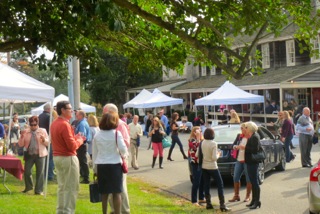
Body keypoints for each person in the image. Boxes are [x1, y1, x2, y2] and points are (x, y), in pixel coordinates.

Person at [50, 101, 85, 214]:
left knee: (62, 187)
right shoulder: (65, 124)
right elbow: (72, 146)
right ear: (63, 110)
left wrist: (74, 137)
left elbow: (63, 141)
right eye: (69, 109)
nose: (72, 111)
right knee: (71, 187)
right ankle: (68, 211)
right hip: (67, 157)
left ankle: (60, 211)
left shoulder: (55, 123)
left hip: (58, 157)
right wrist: (80, 139)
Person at [92, 112, 128, 214]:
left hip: (102, 165)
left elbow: (95, 153)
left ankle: (104, 212)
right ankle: (118, 212)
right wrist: (124, 156)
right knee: (117, 193)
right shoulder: (116, 134)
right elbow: (123, 149)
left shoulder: (97, 135)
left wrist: (95, 169)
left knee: (104, 193)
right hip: (115, 165)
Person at [103, 103, 130, 214]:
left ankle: (124, 211)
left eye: (105, 113)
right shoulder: (108, 125)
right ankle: (114, 210)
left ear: (111, 112)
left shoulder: (120, 124)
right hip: (110, 160)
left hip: (119, 159)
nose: (103, 116)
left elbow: (126, 143)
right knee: (111, 188)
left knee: (120, 187)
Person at [198, 128, 231, 211]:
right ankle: (222, 205)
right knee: (220, 184)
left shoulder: (202, 143)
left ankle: (208, 204)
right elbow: (214, 158)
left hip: (204, 166)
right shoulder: (213, 143)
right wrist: (218, 154)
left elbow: (197, 154)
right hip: (212, 166)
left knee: (207, 184)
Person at [18, 116, 49, 195]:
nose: (33, 126)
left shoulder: (43, 131)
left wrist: (44, 140)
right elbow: (21, 144)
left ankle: (38, 190)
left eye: (34, 124)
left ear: (37, 123)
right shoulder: (26, 131)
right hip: (29, 154)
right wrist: (21, 137)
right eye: (31, 125)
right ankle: (29, 187)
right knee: (27, 171)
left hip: (40, 154)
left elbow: (48, 143)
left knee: (40, 173)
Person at [229, 123, 251, 203]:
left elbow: (252, 148)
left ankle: (248, 196)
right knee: (236, 177)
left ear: (247, 128)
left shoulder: (250, 137)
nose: (242, 130)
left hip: (247, 160)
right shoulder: (239, 136)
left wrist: (244, 148)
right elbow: (233, 145)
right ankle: (236, 195)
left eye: (243, 128)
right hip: (239, 160)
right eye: (241, 128)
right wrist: (236, 147)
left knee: (248, 178)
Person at [244, 121, 262, 209]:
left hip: (253, 162)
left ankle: (257, 201)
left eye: (246, 127)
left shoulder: (255, 136)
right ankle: (254, 200)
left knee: (255, 182)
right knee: (252, 181)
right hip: (249, 161)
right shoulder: (251, 136)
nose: (245, 129)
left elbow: (255, 149)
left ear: (250, 128)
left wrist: (244, 148)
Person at [188, 126, 205, 206]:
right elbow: (196, 148)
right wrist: (198, 138)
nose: (200, 133)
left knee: (202, 180)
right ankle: (194, 200)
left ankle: (201, 197)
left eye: (201, 131)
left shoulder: (202, 140)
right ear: (194, 132)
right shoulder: (192, 140)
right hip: (195, 163)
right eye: (198, 131)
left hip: (202, 162)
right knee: (196, 181)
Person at [38, 103, 55, 181]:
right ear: (48, 109)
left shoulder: (39, 116)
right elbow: (52, 128)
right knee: (50, 158)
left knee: (43, 157)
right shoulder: (49, 117)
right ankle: (50, 175)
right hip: (48, 139)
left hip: (40, 139)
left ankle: (43, 174)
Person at [75, 110, 91, 184]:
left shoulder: (82, 124)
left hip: (81, 144)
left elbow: (82, 135)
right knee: (82, 161)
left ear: (81, 115)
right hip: (83, 144)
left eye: (77, 115)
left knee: (83, 161)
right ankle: (85, 176)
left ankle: (86, 178)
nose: (76, 116)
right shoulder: (84, 122)